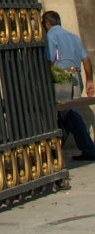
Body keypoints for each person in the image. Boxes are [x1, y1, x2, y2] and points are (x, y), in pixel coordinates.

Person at [42, 10, 95, 162]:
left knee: (69, 112)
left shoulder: (51, 36)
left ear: (47, 23)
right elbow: (86, 60)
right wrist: (90, 80)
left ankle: (89, 149)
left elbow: (50, 61)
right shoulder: (73, 36)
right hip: (76, 78)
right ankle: (55, 152)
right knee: (64, 115)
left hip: (61, 79)